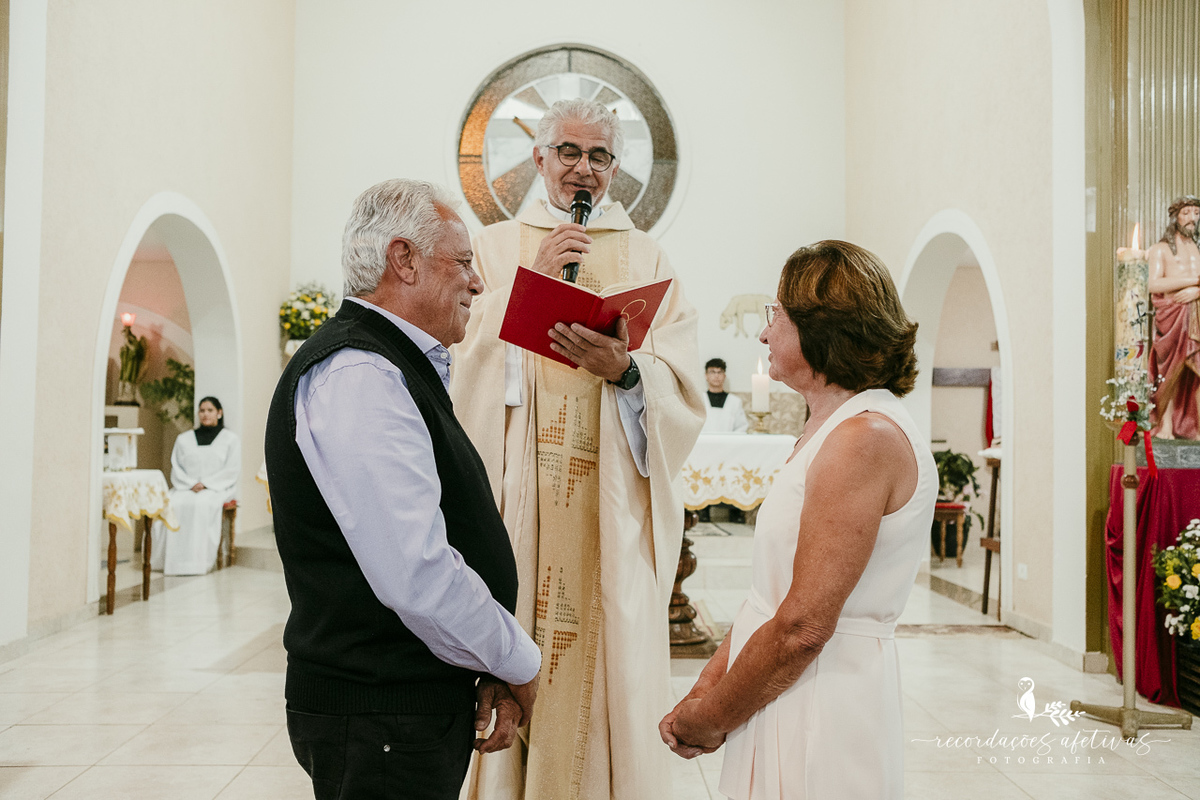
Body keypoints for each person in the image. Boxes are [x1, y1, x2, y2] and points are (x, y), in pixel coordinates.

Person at [451, 98, 705, 800]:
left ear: (615, 169)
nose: (582, 169)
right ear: (537, 158)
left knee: (605, 655)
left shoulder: (648, 256)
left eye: (598, 156)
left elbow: (681, 384)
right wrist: (527, 283)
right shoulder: (496, 245)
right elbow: (458, 351)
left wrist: (624, 371)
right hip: (521, 499)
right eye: (567, 152)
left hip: (609, 507)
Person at [264, 179, 541, 800]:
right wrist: (515, 660)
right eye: (464, 261)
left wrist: (483, 661)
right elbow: (415, 571)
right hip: (377, 710)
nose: (476, 282)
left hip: (395, 706)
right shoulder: (361, 372)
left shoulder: (389, 365)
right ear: (404, 259)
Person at [659, 241, 938, 799]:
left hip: (821, 699)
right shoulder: (834, 427)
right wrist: (711, 684)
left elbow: (804, 627)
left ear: (822, 327)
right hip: (780, 686)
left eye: (776, 313)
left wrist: (713, 715)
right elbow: (772, 595)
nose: (764, 334)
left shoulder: (865, 439)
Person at [150, 396, 240, 575]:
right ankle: (171, 562)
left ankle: (196, 562)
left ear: (219, 413)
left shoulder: (230, 439)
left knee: (201, 505)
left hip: (216, 488)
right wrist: (191, 484)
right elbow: (177, 466)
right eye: (202, 410)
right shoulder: (184, 439)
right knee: (173, 504)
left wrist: (206, 484)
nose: (205, 414)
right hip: (186, 487)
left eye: (210, 410)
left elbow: (231, 469)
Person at [1148, 195, 1200, 439]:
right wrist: (1193, 282)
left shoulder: (1197, 247)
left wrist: (1196, 292)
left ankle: (1196, 428)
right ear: (1175, 216)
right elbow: (1154, 283)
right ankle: (1165, 426)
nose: (1193, 219)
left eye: (1196, 213)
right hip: (1172, 316)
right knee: (1170, 372)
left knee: (1196, 372)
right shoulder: (1160, 249)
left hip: (1197, 314)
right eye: (1187, 213)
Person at [702, 357, 749, 433]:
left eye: (720, 372)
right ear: (706, 375)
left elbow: (741, 428)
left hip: (729, 443)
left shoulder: (735, 402)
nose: (716, 376)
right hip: (703, 443)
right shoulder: (700, 400)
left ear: (724, 375)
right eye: (712, 372)